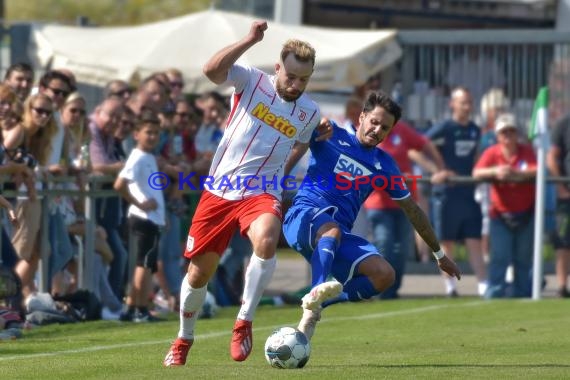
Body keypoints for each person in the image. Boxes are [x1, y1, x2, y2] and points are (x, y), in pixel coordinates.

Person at [163, 20, 331, 366]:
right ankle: (183, 339)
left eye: (304, 79)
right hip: (220, 191)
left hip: (261, 192)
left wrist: (282, 171)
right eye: (291, 77)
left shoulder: (309, 112)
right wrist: (250, 39)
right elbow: (211, 70)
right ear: (278, 68)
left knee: (267, 238)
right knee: (198, 275)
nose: (296, 84)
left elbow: (301, 141)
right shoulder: (252, 80)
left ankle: (244, 321)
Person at [282, 91, 461, 341]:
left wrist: (439, 254)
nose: (377, 130)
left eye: (385, 127)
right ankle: (315, 296)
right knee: (331, 229)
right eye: (374, 122)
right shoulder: (330, 133)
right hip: (302, 217)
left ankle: (320, 302)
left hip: (335, 236)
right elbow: (292, 138)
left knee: (384, 274)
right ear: (362, 116)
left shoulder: (384, 165)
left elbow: (413, 210)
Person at [364, 118, 445, 299]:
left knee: (401, 249)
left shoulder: (402, 130)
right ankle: (380, 289)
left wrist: (440, 168)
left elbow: (424, 143)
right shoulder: (368, 131)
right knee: (384, 243)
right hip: (378, 202)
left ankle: (392, 290)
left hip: (403, 202)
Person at [426, 87, 487, 297]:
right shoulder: (444, 127)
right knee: (447, 242)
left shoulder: (475, 130)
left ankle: (484, 286)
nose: (467, 107)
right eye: (463, 102)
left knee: (474, 240)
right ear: (453, 104)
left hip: (468, 193)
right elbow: (416, 148)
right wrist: (437, 170)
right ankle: (451, 287)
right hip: (446, 194)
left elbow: (476, 156)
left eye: (470, 102)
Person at [473, 113, 536, 298]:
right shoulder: (492, 152)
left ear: (517, 134)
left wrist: (516, 174)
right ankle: (494, 294)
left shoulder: (527, 150)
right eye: (504, 132)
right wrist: (495, 170)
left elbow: (538, 170)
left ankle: (523, 294)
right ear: (498, 135)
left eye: (511, 131)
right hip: (500, 214)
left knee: (523, 259)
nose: (508, 136)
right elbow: (477, 172)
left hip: (526, 213)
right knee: (499, 258)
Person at [114, 110, 165, 321]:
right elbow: (120, 185)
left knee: (145, 264)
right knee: (143, 265)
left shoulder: (149, 156)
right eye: (148, 132)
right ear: (137, 134)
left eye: (155, 133)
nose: (152, 137)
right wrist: (141, 204)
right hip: (143, 219)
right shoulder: (136, 157)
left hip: (151, 219)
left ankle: (132, 307)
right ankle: (141, 309)